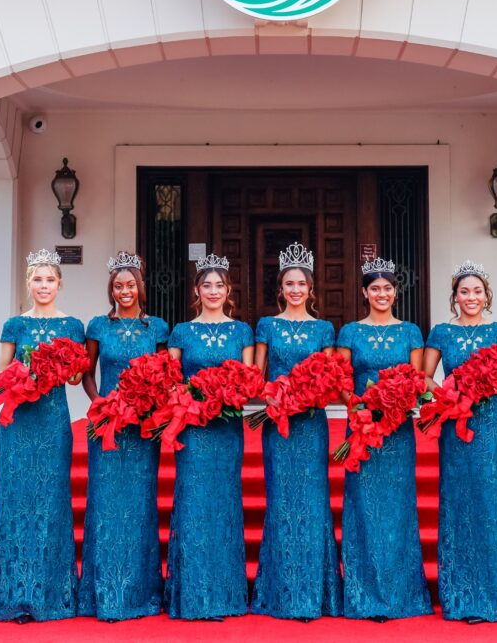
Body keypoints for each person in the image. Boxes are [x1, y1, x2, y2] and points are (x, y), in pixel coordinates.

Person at [0, 248, 83, 622]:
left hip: (54, 423)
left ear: (60, 284)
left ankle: (52, 595)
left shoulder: (73, 326)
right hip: (19, 423)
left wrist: (60, 371)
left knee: (51, 503)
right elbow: (1, 374)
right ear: (28, 283)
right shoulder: (14, 325)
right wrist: (25, 377)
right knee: (17, 503)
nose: (44, 285)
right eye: (37, 279)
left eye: (50, 279)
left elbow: (75, 378)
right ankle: (14, 595)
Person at [422, 261, 497, 623]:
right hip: (453, 423)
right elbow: (424, 377)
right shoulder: (441, 333)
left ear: (486, 295)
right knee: (458, 499)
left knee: (488, 497)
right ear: (454, 296)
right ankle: (461, 593)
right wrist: (450, 394)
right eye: (464, 291)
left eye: (477, 291)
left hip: (487, 422)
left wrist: (482, 389)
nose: (471, 297)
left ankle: (496, 594)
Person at [336, 257, 433, 620]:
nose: (381, 293)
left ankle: (400, 595)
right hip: (361, 429)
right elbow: (342, 381)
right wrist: (359, 408)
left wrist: (397, 406)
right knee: (363, 509)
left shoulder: (410, 332)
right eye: (374, 288)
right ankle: (365, 596)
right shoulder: (349, 332)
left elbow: (419, 381)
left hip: (397, 432)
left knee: (397, 509)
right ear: (364, 292)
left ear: (396, 292)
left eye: (387, 288)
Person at [250, 243, 342, 620]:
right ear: (280, 288)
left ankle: (315, 594)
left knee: (313, 502)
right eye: (289, 283)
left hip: (311, 425)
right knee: (282, 503)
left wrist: (310, 393)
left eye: (301, 283)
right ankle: (281, 592)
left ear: (311, 288)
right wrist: (278, 395)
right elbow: (256, 377)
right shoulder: (266, 326)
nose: (295, 289)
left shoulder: (324, 329)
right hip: (278, 426)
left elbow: (334, 378)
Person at [79, 252, 169, 620]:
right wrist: (100, 403)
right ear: (111, 289)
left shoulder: (158, 328)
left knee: (140, 504)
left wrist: (153, 406)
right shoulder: (98, 326)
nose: (125, 291)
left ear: (140, 287)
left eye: (130, 285)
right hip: (107, 426)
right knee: (106, 503)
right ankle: (103, 593)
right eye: (118, 286)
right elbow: (86, 372)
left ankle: (141, 593)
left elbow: (167, 375)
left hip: (144, 430)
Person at [164, 254, 255, 619]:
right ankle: (193, 594)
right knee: (194, 504)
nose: (213, 291)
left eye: (219, 285)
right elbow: (170, 379)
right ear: (196, 291)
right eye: (207, 285)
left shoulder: (241, 331)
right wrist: (195, 396)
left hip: (226, 430)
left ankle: (226, 594)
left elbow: (250, 382)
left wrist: (225, 393)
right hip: (194, 431)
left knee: (224, 504)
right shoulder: (182, 332)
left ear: (228, 290)